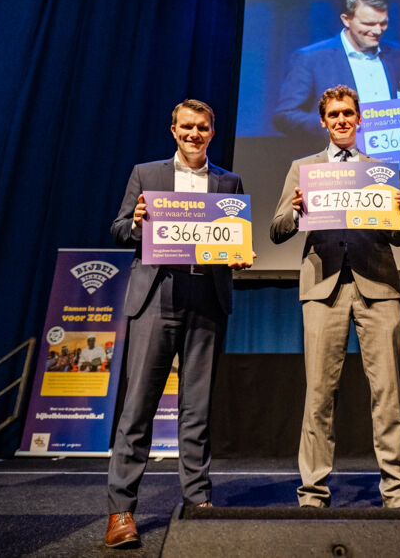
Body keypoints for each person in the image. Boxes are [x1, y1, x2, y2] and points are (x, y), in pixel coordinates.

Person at [104, 99, 253, 549]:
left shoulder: (228, 182)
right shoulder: (146, 174)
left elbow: (232, 237)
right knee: (138, 406)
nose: (194, 134)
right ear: (173, 130)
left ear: (212, 132)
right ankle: (121, 510)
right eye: (186, 126)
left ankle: (197, 501)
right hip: (157, 295)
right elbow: (118, 230)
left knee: (197, 407)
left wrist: (238, 254)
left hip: (207, 296)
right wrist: (136, 224)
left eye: (202, 127)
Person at [270, 84, 400, 508]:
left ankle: (399, 491)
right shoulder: (303, 169)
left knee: (388, 393)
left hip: (378, 287)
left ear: (359, 119)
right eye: (333, 115)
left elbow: (398, 237)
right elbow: (277, 229)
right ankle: (313, 492)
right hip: (323, 288)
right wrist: (296, 209)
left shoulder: (379, 169)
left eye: (347, 114)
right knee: (318, 394)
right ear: (323, 121)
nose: (341, 121)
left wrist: (395, 212)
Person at [273, 0, 400, 137]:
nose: (377, 30)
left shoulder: (396, 54)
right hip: (337, 150)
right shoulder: (311, 58)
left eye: (383, 23)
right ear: (346, 20)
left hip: (392, 149)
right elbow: (285, 116)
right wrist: (334, 126)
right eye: (369, 23)